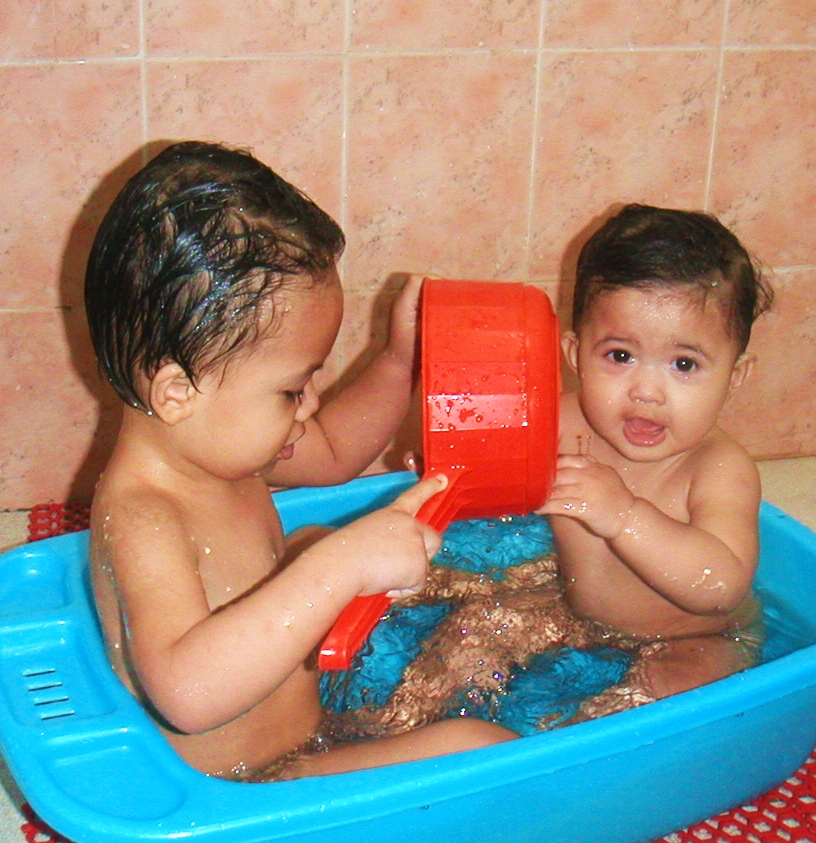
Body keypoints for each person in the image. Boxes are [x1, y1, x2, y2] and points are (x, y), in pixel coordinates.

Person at [82, 141, 516, 781]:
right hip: (249, 789)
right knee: (481, 748)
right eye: (291, 389)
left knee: (314, 541)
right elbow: (188, 693)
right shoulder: (145, 515)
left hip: (300, 737)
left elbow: (336, 452)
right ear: (177, 391)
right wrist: (341, 565)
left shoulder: (214, 444)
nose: (308, 405)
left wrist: (399, 362)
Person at [540, 202, 774, 702]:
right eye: (620, 356)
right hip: (575, 613)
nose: (647, 391)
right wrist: (451, 467)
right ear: (574, 353)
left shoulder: (718, 469)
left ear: (734, 376)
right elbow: (485, 470)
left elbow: (722, 586)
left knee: (667, 687)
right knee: (473, 635)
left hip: (696, 638)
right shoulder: (555, 424)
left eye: (684, 364)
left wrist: (625, 516)